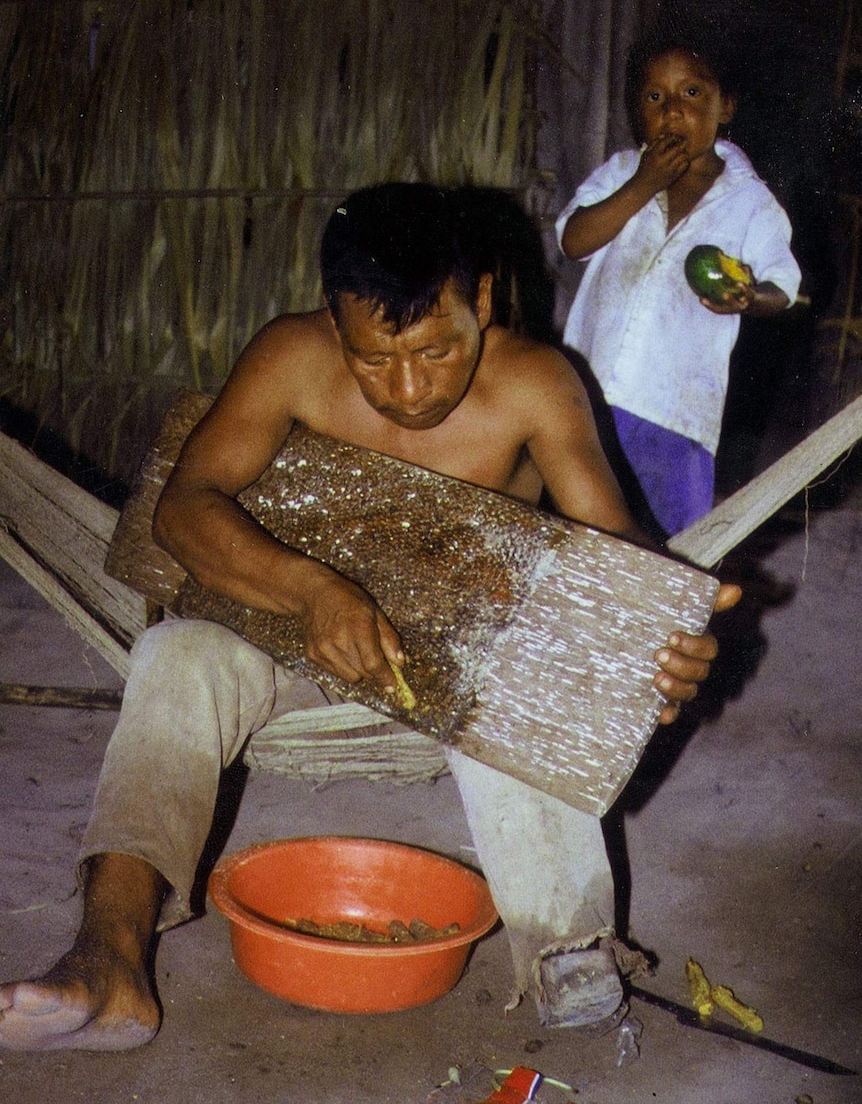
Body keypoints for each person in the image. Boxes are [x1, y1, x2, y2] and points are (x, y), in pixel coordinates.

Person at [0, 182, 739, 1051]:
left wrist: (666, 626)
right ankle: (112, 958)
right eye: (374, 359)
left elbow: (614, 547)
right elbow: (183, 507)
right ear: (332, 318)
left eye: (436, 350)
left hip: (466, 666)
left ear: (486, 300)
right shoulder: (292, 357)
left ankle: (565, 939)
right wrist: (311, 589)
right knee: (174, 653)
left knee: (524, 676)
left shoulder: (536, 385)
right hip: (291, 641)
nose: (408, 388)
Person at [556, 31, 802, 537]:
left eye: (691, 94)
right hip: (587, 396)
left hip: (678, 414)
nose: (671, 110)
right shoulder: (623, 171)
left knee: (678, 553)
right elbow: (574, 240)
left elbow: (783, 285)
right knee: (577, 533)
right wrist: (644, 183)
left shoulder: (750, 202)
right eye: (654, 97)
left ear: (725, 106)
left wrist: (751, 297)